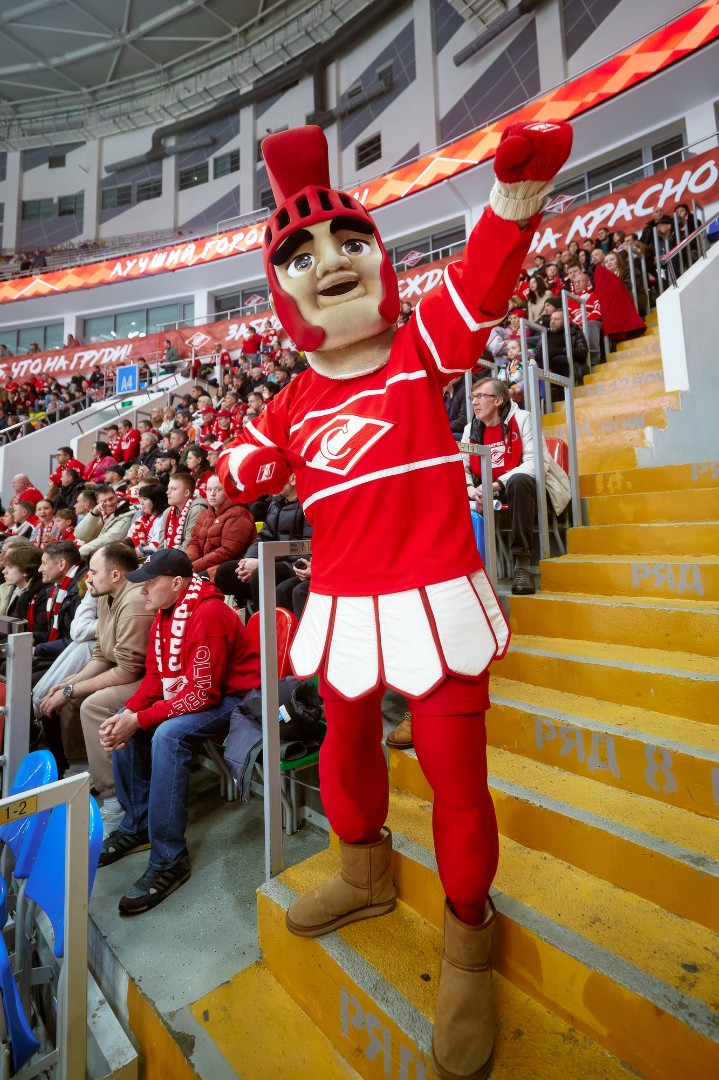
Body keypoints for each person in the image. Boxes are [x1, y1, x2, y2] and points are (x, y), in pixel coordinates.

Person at [216, 121, 572, 1080]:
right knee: (343, 747)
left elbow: (482, 284)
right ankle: (363, 873)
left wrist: (512, 200)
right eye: (300, 255)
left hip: (436, 599)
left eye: (347, 240)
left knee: (457, 781)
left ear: (377, 255)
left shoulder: (421, 350)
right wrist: (236, 476)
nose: (330, 261)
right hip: (342, 604)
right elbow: (240, 469)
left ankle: (468, 940)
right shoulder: (289, 403)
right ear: (279, 290)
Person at [97, 549, 261, 914]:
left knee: (167, 735)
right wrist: (130, 712)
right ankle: (138, 823)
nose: (143, 590)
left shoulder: (208, 613)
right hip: (209, 694)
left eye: (150, 583)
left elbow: (204, 694)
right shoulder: (165, 612)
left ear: (176, 582)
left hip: (238, 700)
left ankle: (169, 859)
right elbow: (155, 678)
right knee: (126, 718)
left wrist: (140, 719)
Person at [38, 542, 153, 831]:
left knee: (91, 705)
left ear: (115, 574)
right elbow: (101, 655)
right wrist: (67, 685)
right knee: (71, 699)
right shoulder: (105, 596)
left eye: (93, 571)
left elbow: (128, 670)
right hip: (127, 672)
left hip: (151, 678)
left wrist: (72, 690)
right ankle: (81, 771)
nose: (87, 577)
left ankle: (114, 801)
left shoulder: (135, 601)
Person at [462, 378, 570, 595]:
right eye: (472, 397)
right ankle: (465, 568)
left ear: (498, 400)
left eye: (480, 396)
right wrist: (470, 489)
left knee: (518, 481)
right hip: (487, 490)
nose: (474, 402)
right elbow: (461, 467)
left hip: (526, 487)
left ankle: (522, 562)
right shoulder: (470, 429)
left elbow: (536, 463)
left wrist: (496, 485)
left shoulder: (523, 418)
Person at [213, 473, 311, 611]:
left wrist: (264, 562)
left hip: (294, 564)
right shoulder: (275, 503)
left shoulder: (308, 504)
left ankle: (262, 622)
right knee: (224, 572)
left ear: (293, 479)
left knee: (261, 574)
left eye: (277, 478)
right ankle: (244, 613)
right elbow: (264, 536)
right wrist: (249, 560)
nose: (271, 484)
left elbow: (306, 547)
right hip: (271, 558)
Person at [185, 474, 255, 580]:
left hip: (229, 569)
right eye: (209, 489)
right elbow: (194, 543)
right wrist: (185, 563)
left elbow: (228, 552)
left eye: (218, 489)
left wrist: (192, 567)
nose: (212, 494)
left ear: (228, 491)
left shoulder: (238, 513)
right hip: (205, 566)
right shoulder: (204, 515)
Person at [78, 486, 136, 560]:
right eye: (104, 501)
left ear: (116, 497)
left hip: (114, 558)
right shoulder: (99, 513)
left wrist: (79, 552)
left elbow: (108, 539)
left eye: (111, 499)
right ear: (98, 502)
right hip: (96, 556)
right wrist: (94, 513)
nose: (109, 503)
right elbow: (81, 535)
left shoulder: (127, 515)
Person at [158, 473, 204, 552]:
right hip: (169, 556)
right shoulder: (167, 512)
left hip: (186, 557)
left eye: (173, 489)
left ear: (186, 493)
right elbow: (161, 546)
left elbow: (189, 545)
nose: (167, 492)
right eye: (168, 488)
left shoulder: (197, 510)